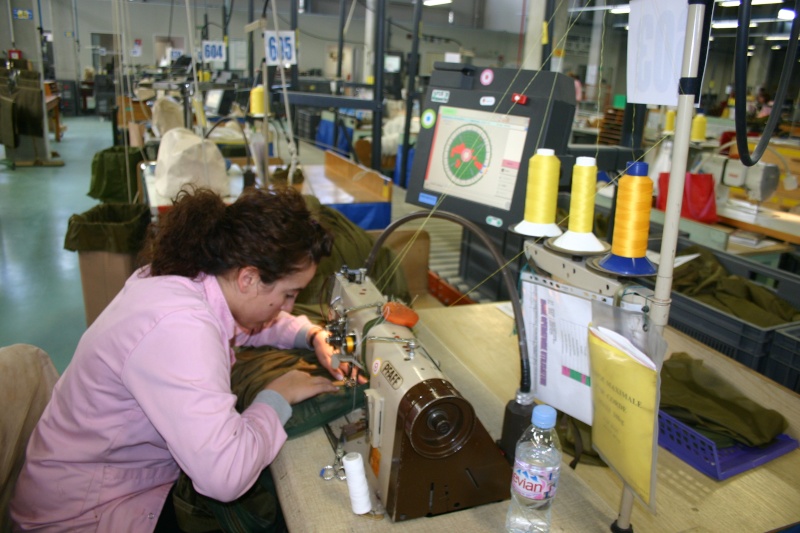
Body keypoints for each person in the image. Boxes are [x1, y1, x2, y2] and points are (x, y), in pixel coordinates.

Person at [11, 186, 351, 531]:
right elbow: (226, 476)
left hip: (103, 480)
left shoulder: (189, 277)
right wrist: (278, 397)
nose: (289, 306)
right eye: (288, 294)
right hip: (85, 515)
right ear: (248, 277)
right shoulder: (180, 327)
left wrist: (310, 334)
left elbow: (247, 322)